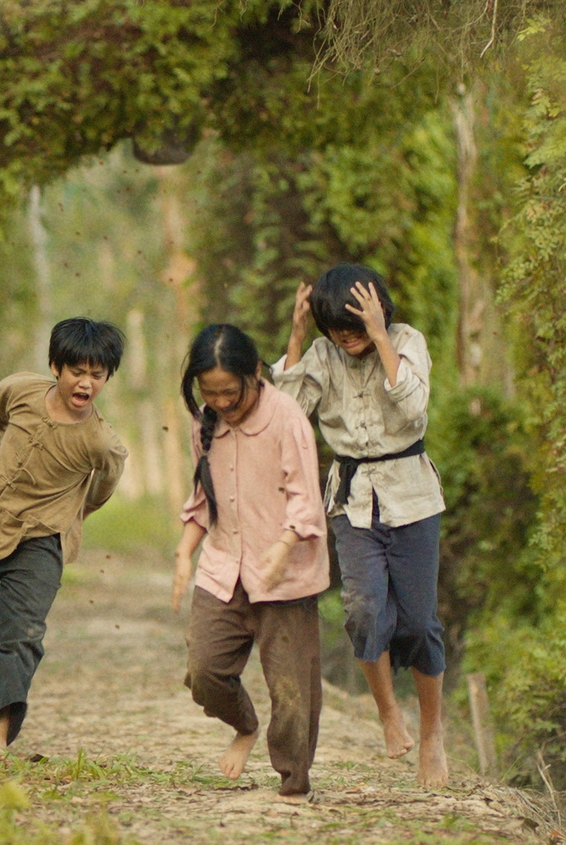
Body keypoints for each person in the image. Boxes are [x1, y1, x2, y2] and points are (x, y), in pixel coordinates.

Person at [274, 263, 451, 788]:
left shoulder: (407, 340)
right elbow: (287, 412)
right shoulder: (323, 354)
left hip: (413, 496)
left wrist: (379, 336)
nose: (348, 340)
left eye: (355, 328)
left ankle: (433, 735)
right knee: (364, 610)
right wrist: (299, 335)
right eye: (338, 330)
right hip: (351, 500)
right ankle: (388, 714)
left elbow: (415, 410)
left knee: (419, 623)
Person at [0, 317, 129, 752]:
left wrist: (70, 515)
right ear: (56, 366)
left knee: (17, 636)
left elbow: (102, 486)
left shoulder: (100, 442)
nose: (86, 383)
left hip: (42, 540)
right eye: (78, 371)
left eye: (98, 375)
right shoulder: (21, 390)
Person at [170, 324, 329, 802]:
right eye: (209, 393)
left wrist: (282, 548)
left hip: (286, 576)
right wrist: (183, 553)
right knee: (205, 671)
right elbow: (203, 500)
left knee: (292, 692)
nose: (220, 402)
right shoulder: (206, 424)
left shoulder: (287, 419)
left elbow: (306, 498)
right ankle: (243, 725)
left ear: (255, 374)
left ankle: (293, 788)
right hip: (223, 568)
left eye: (230, 393)